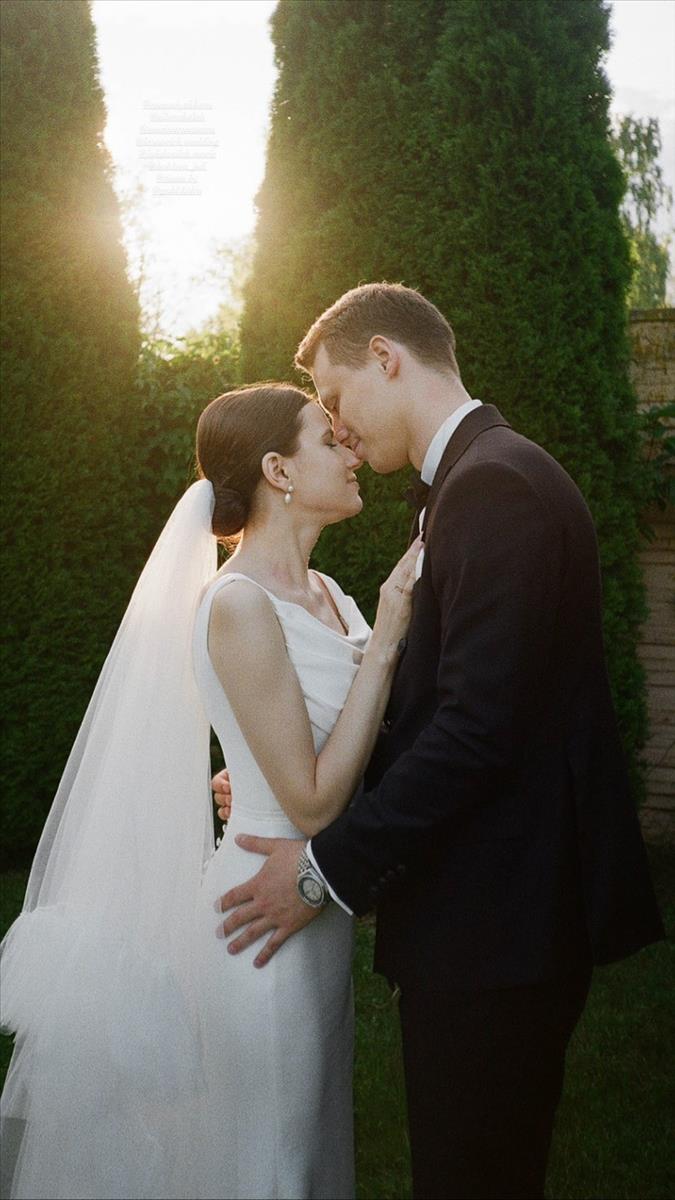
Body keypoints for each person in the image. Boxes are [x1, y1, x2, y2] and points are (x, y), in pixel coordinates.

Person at [213, 284, 665, 1200]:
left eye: (336, 398)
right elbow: (454, 711)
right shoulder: (476, 479)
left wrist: (321, 872)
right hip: (489, 918)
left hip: (500, 927)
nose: (338, 428)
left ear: (386, 358)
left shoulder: (492, 486)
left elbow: (476, 732)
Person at [0, 381, 419, 1200]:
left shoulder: (330, 596)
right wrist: (387, 641)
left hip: (315, 909)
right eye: (326, 438)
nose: (350, 450)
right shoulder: (236, 604)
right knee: (272, 1163)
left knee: (307, 1145)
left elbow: (346, 742)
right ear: (277, 470)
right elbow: (309, 804)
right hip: (260, 922)